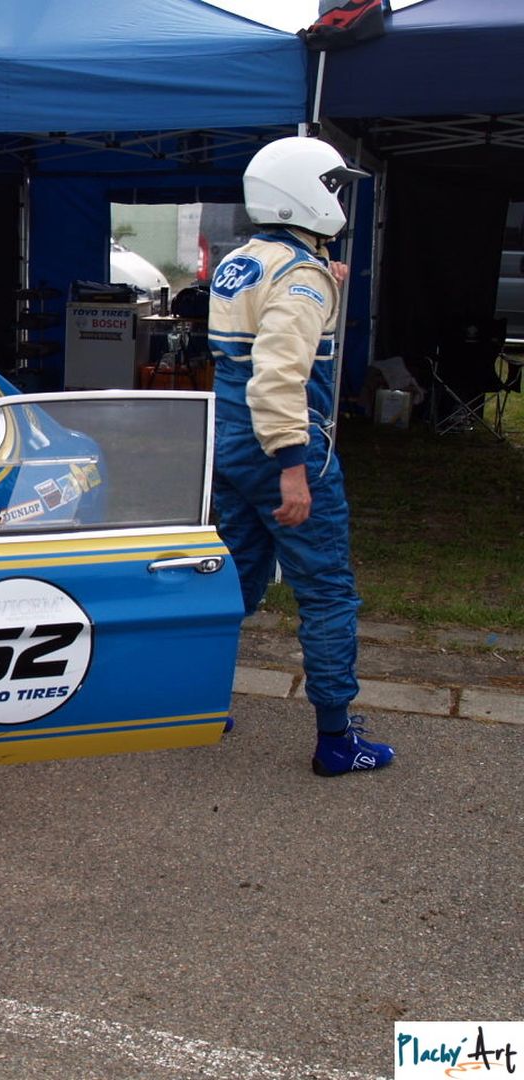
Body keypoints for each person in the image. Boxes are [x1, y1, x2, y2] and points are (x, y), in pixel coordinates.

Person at [208, 135, 395, 777]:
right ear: (305, 193)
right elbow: (279, 375)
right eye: (333, 186)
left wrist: (322, 279)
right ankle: (337, 741)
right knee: (327, 592)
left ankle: (203, 702)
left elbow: (261, 331)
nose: (338, 198)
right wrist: (293, 466)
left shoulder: (243, 260)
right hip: (282, 444)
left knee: (234, 581)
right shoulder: (301, 275)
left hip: (230, 441)